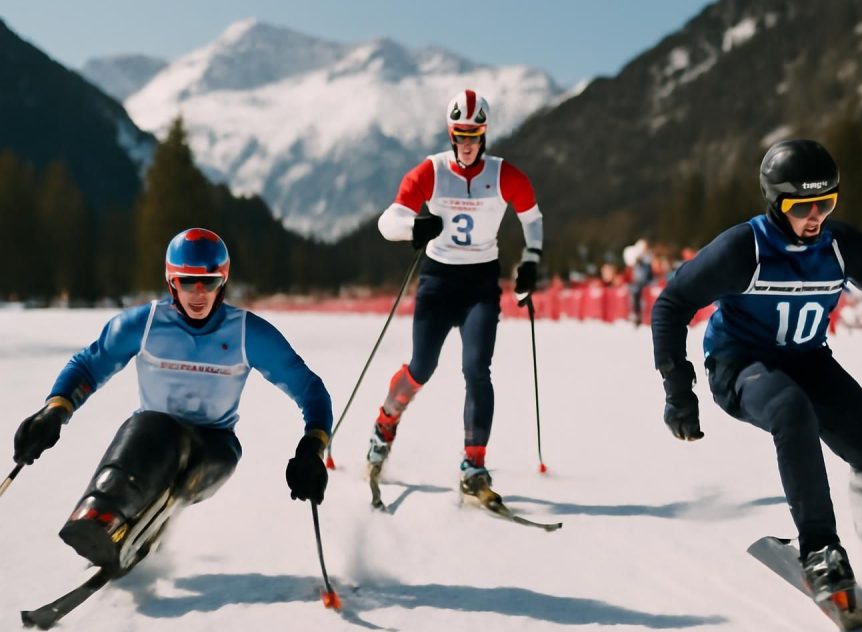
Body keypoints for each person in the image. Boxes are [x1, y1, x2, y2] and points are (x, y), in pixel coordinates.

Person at [651, 139, 862, 605]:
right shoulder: (742, 249)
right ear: (775, 201)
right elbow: (671, 304)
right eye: (802, 205)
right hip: (740, 364)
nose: (815, 216)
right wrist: (678, 390)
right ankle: (820, 549)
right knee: (791, 411)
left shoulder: (838, 244)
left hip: (808, 360)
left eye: (826, 202)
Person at [12, 228, 333, 575]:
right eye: (187, 281)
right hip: (151, 440)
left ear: (222, 283)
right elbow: (89, 366)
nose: (198, 293)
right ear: (171, 282)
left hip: (214, 449)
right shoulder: (144, 324)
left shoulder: (247, 333)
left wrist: (311, 448)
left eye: (208, 283)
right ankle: (98, 514)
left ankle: (144, 522)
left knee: (176, 447)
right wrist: (55, 411)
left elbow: (310, 389)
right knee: (149, 425)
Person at [368, 89, 543, 496]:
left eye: (475, 135)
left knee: (477, 370)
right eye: (461, 135)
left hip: (481, 283)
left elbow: (531, 217)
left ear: (485, 134)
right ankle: (385, 423)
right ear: (451, 135)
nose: (467, 144)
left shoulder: (504, 175)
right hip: (438, 281)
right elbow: (388, 220)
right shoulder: (431, 171)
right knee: (421, 367)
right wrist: (414, 228)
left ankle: (474, 464)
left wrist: (531, 260)